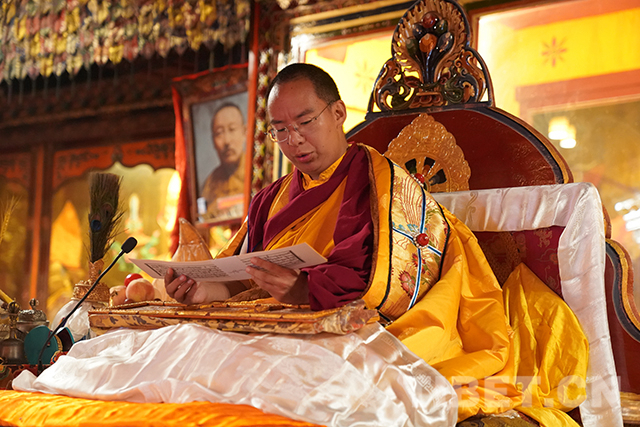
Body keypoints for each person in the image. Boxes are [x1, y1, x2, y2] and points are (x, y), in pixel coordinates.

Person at [165, 63, 589, 426]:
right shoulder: (268, 199)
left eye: (305, 122)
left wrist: (303, 290)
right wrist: (203, 291)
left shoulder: (381, 185)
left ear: (337, 113)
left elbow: (397, 287)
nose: (294, 140)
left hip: (356, 334)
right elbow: (242, 280)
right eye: (280, 130)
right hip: (276, 332)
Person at [200, 102, 246, 221]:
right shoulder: (210, 184)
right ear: (213, 140)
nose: (227, 141)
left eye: (232, 129)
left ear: (244, 132)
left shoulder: (258, 170)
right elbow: (203, 218)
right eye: (219, 133)